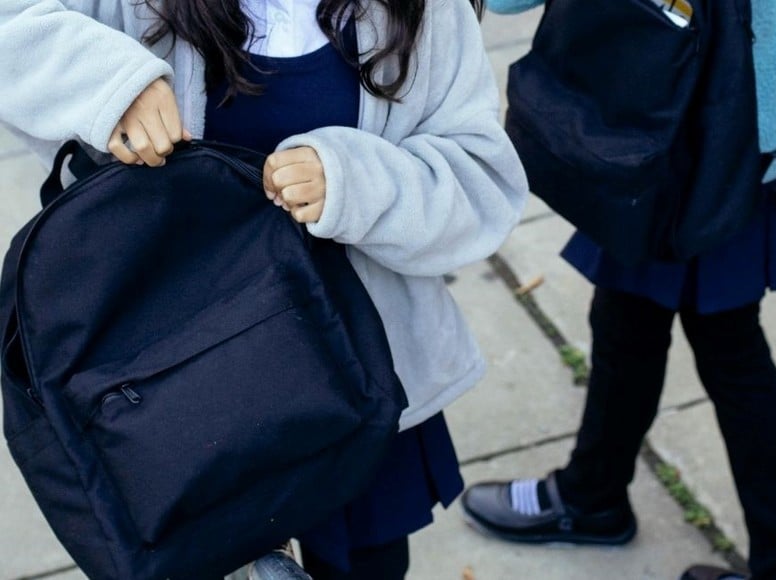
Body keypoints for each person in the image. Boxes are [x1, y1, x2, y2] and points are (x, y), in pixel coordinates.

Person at [0, 0, 528, 577]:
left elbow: (481, 179)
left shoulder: (422, 10)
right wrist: (106, 80)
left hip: (357, 376)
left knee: (364, 563)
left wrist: (359, 187)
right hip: (171, 388)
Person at [461, 2, 776, 580]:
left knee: (727, 350)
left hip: (697, 141)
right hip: (732, 124)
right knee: (630, 320)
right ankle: (594, 493)